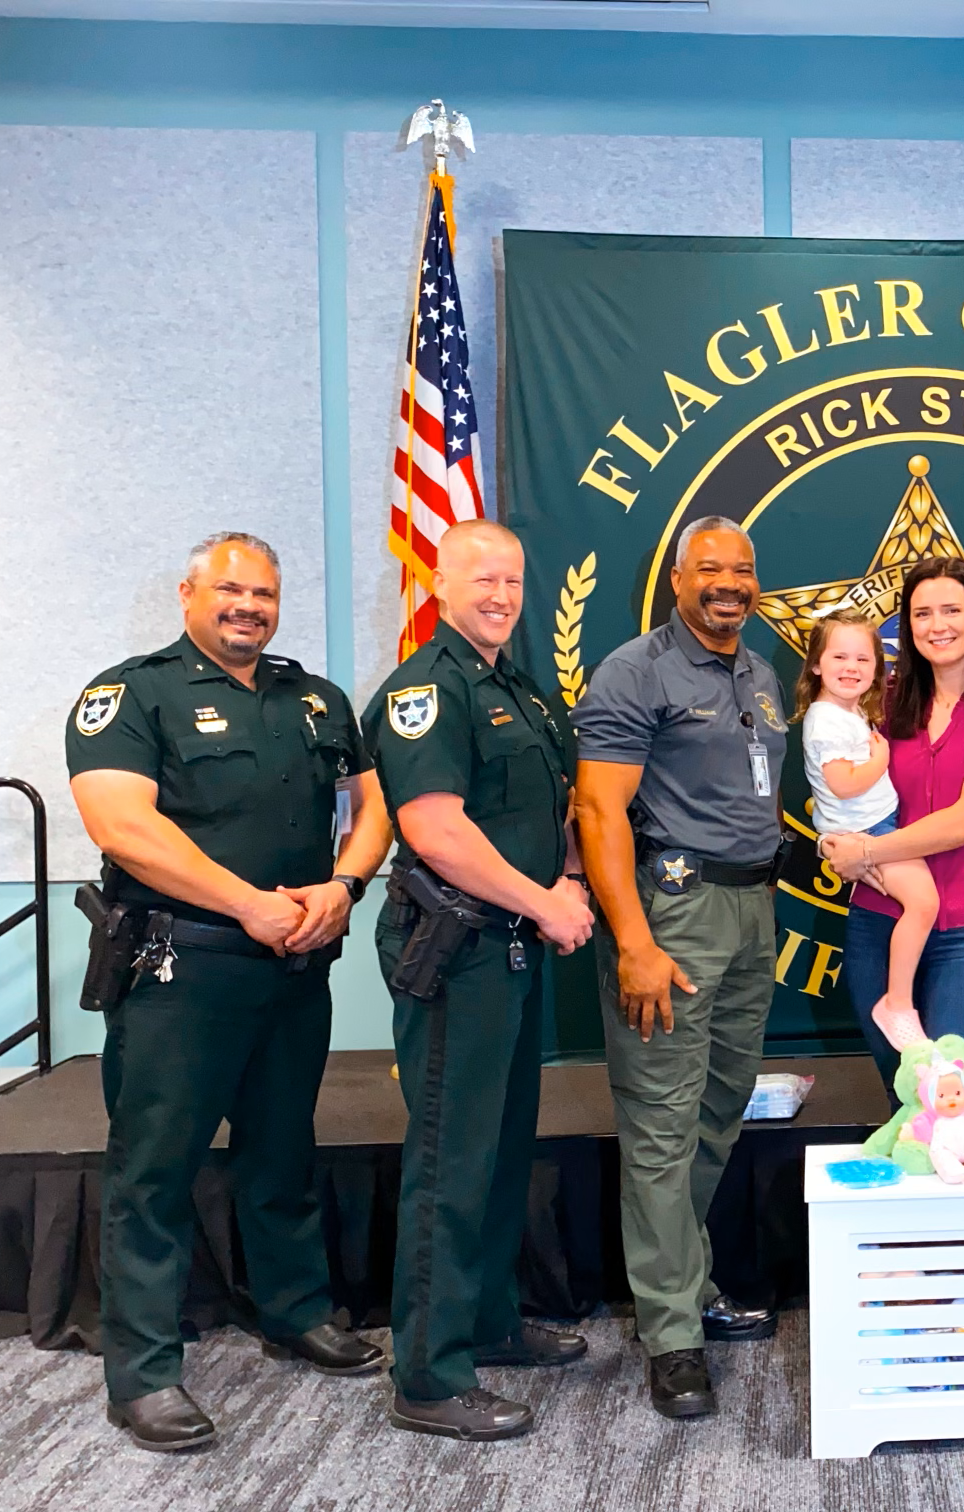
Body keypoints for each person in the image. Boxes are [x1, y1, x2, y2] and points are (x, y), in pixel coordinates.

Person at [66, 531, 392, 1452]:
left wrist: (345, 887)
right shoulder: (132, 693)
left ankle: (294, 1312)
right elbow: (122, 825)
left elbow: (374, 809)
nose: (249, 605)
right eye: (231, 590)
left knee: (283, 1151)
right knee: (154, 1169)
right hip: (182, 967)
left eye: (265, 593)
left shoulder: (315, 698)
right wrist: (247, 904)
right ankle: (143, 1373)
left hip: (295, 962)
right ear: (188, 594)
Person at [364, 519, 596, 1441]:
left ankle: (488, 1323)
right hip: (458, 953)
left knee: (500, 1156)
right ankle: (426, 1374)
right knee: (448, 1163)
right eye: (482, 579)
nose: (500, 595)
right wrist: (545, 904)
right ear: (441, 582)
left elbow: (557, 803)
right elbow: (434, 829)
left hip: (511, 949)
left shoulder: (519, 691)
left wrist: (567, 880)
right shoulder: (426, 690)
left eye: (511, 581)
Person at [571, 515, 790, 1420]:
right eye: (711, 569)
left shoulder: (760, 670)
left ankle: (688, 1285)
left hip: (751, 911)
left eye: (742, 569)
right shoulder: (635, 670)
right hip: (673, 913)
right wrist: (633, 939)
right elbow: (597, 809)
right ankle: (671, 1336)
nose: (729, 583)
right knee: (661, 1125)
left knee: (716, 1112)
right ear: (677, 579)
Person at [820, 556, 964, 1095]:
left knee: (948, 1106)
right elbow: (839, 784)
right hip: (877, 923)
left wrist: (866, 852)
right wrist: (835, 840)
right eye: (921, 613)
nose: (937, 625)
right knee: (904, 1102)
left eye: (950, 610)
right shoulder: (887, 704)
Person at [798, 609, 938, 1051]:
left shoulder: (849, 712)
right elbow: (843, 784)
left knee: (920, 904)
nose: (851, 668)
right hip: (868, 833)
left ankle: (899, 999)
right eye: (839, 657)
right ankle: (898, 1002)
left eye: (863, 659)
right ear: (816, 664)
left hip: (874, 828)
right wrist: (882, 760)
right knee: (924, 903)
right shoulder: (827, 719)